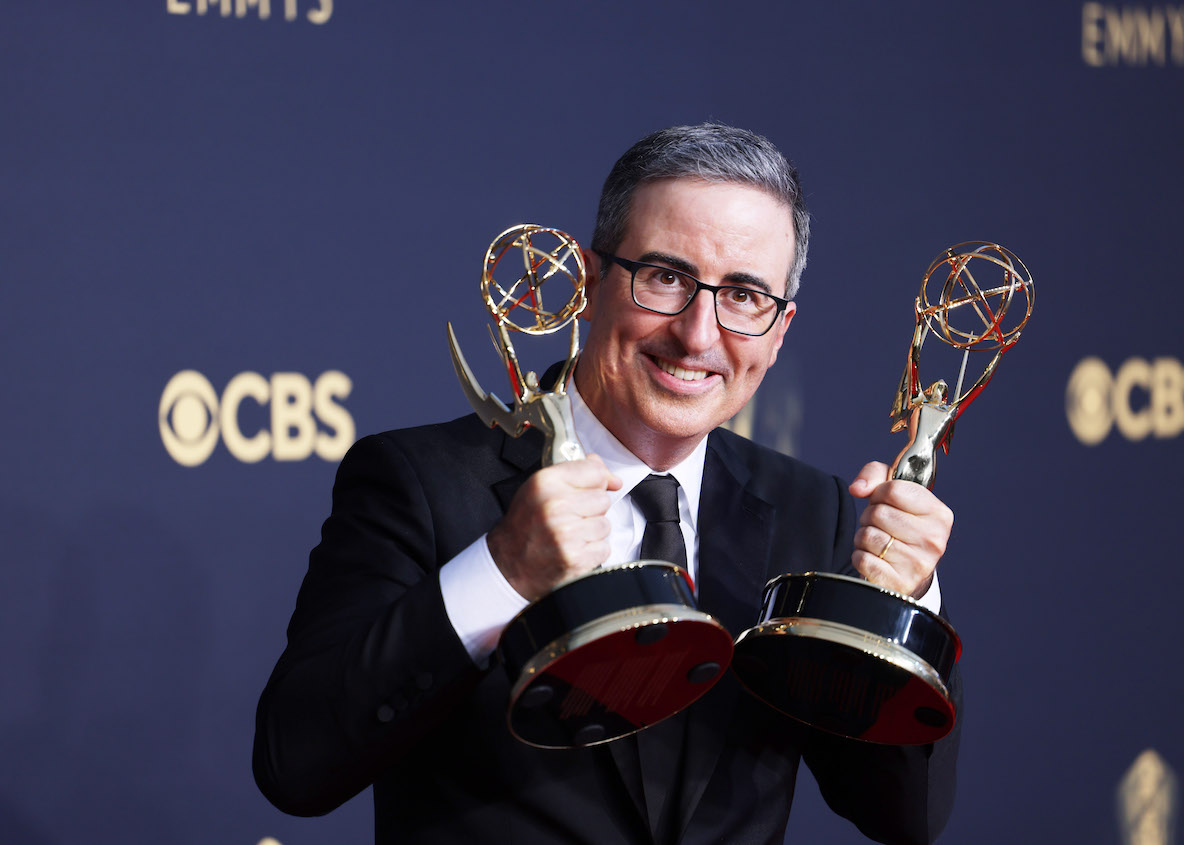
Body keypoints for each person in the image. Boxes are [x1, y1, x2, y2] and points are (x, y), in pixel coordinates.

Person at [253, 123, 959, 845]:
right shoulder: (420, 482)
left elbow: (903, 816)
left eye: (744, 295)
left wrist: (908, 608)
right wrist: (502, 570)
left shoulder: (819, 514)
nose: (698, 334)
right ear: (588, 283)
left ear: (779, 331)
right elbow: (296, 765)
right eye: (666, 277)